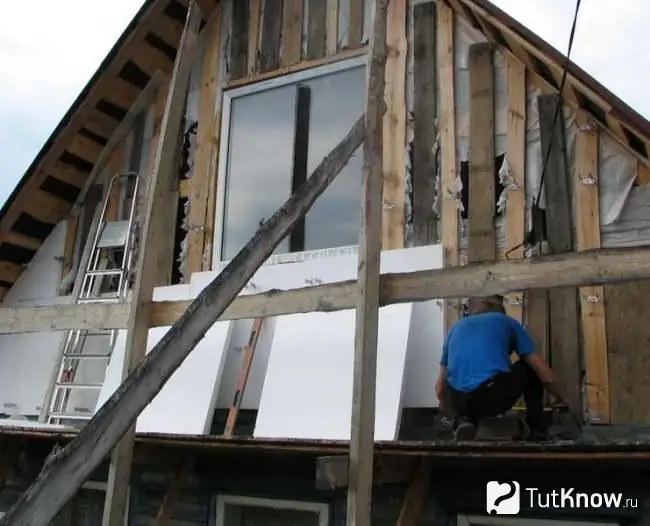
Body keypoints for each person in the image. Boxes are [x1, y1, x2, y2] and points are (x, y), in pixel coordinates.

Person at [435, 295, 569, 441]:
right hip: (491, 396)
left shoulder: (456, 327)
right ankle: (538, 431)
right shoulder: (506, 322)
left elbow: (440, 387)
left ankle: (464, 421)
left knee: (465, 389)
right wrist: (563, 398)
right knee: (530, 368)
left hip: (457, 400)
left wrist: (450, 413)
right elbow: (546, 375)